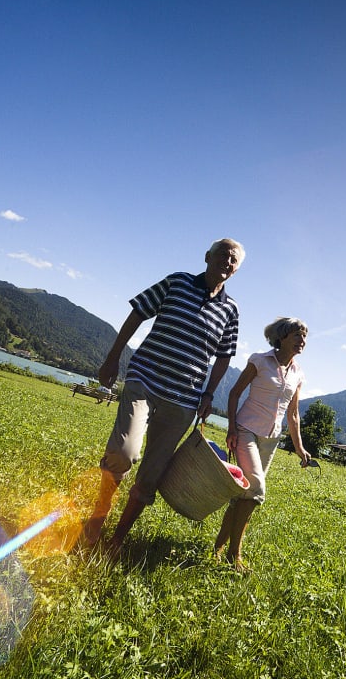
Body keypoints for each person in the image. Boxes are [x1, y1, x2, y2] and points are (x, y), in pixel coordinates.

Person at [83, 238, 245, 555]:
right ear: (207, 256)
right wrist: (113, 357)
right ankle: (96, 521)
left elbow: (225, 355)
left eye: (234, 260)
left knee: (151, 475)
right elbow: (139, 312)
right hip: (145, 380)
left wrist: (209, 393)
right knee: (125, 452)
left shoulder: (231, 310)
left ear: (237, 269)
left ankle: (116, 541)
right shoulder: (177, 282)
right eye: (224, 255)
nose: (228, 262)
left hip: (184, 399)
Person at [213, 317, 311, 571]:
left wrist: (299, 448)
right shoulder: (260, 360)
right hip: (246, 430)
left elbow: (293, 414)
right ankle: (235, 555)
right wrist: (232, 428)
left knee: (243, 493)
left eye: (304, 337)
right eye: (297, 335)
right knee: (256, 487)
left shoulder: (298, 373)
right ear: (282, 337)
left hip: (271, 440)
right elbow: (235, 394)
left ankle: (218, 549)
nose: (302, 341)